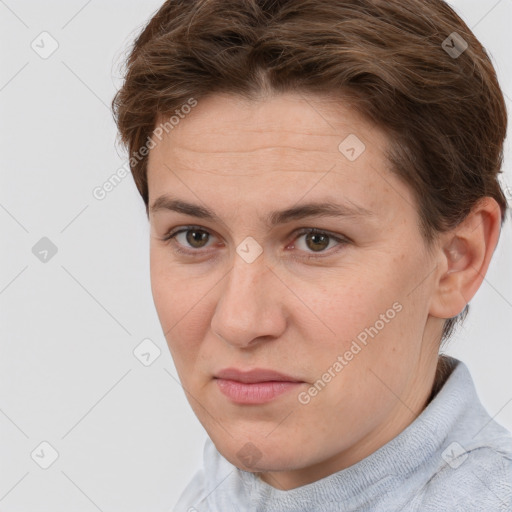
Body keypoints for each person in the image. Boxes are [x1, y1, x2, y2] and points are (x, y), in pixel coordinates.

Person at [112, 0, 512, 510]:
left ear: (458, 259)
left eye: (316, 240)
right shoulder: (220, 491)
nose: (240, 321)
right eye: (195, 236)